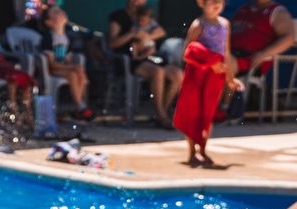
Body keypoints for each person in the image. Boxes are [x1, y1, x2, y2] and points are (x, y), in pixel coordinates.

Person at [175, 0, 241, 168]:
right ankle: (192, 152)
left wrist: (230, 78)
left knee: (208, 113)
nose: (217, 4)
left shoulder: (225, 24)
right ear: (201, 3)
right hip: (197, 74)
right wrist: (209, 62)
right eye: (212, 1)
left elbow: (226, 53)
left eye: (220, 1)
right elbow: (187, 52)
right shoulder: (198, 25)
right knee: (193, 113)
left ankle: (203, 150)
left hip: (215, 76)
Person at [108, 0, 181, 128]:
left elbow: (160, 32)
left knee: (178, 74)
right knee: (158, 72)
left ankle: (161, 112)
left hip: (150, 58)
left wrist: (146, 37)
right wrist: (132, 34)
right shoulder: (118, 16)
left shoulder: (146, 14)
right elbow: (112, 43)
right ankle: (162, 116)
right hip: (131, 60)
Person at [41, 6, 91, 118]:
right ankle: (79, 105)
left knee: (81, 74)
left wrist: (75, 67)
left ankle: (78, 105)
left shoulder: (66, 38)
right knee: (72, 74)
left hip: (63, 68)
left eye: (60, 10)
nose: (61, 12)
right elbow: (51, 64)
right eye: (55, 12)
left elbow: (67, 59)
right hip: (51, 70)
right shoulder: (49, 38)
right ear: (49, 22)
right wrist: (72, 68)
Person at [229, 0, 295, 78]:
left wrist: (264, 53)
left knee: (224, 62)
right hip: (230, 53)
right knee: (218, 59)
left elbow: (289, 38)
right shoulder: (243, 9)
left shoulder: (277, 12)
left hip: (251, 59)